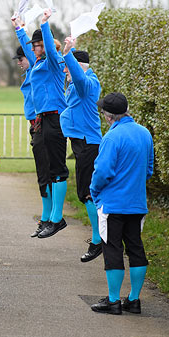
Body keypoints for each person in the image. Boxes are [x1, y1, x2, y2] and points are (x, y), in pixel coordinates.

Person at [89, 93, 154, 315]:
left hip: (113, 205)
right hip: (137, 204)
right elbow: (149, 169)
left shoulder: (111, 138)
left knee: (113, 249)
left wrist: (94, 192)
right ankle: (134, 300)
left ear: (108, 117)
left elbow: (102, 173)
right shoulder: (145, 133)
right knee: (136, 248)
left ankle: (114, 301)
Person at [13, 9, 68, 238]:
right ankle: (49, 218)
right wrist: (18, 28)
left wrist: (45, 24)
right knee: (46, 171)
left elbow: (46, 46)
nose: (33, 49)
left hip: (55, 117)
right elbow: (27, 45)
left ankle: (57, 218)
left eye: (38, 46)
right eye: (33, 46)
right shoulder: (36, 65)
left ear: (45, 46)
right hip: (42, 120)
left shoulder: (54, 63)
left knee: (57, 169)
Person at [60, 37, 103, 262]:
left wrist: (68, 54)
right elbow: (76, 70)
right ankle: (100, 238)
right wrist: (70, 48)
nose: (65, 69)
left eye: (67, 65)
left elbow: (77, 74)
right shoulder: (84, 80)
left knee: (87, 193)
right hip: (82, 143)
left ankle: (98, 241)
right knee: (86, 193)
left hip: (87, 144)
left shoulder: (86, 84)